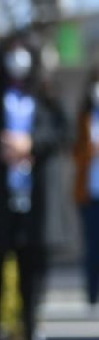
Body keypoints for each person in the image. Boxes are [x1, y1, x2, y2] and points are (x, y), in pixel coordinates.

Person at [0, 33, 69, 340]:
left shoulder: (47, 93)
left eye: (23, 53)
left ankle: (32, 338)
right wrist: (2, 147)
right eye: (12, 52)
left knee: (32, 271)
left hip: (34, 197)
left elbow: (62, 134)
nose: (17, 59)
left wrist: (31, 144)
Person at [74, 67, 99, 308]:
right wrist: (90, 150)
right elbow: (75, 152)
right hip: (90, 192)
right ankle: (92, 293)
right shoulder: (85, 117)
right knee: (92, 247)